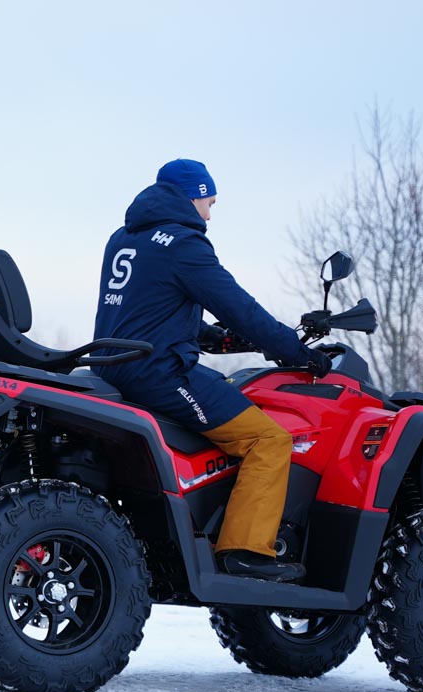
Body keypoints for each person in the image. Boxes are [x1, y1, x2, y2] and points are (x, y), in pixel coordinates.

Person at [92, 159, 330, 582]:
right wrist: (296, 351)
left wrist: (217, 338)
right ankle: (245, 551)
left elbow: (148, 309)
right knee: (269, 439)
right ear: (192, 196)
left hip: (112, 366)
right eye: (209, 203)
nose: (209, 215)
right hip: (159, 373)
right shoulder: (184, 242)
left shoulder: (125, 237)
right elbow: (238, 306)